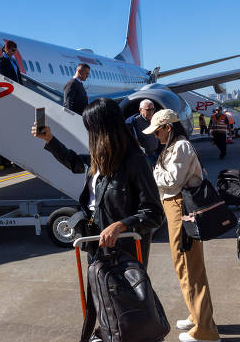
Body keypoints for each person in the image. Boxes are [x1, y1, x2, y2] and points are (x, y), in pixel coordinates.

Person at [31, 98, 163, 267]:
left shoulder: (135, 161)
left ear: (104, 130)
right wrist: (49, 139)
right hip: (96, 243)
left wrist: (121, 226)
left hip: (124, 250)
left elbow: (154, 214)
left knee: (124, 293)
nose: (90, 135)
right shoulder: (100, 159)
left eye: (91, 129)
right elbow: (74, 162)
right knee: (98, 289)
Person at [147, 109, 221, 342]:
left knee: (189, 266)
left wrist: (154, 170)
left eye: (157, 131)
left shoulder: (180, 146)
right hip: (175, 206)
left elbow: (172, 180)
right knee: (184, 265)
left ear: (168, 127)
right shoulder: (175, 146)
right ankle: (197, 314)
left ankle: (206, 329)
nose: (155, 136)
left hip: (180, 206)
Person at [0, 41, 22, 169]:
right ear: (6, 49)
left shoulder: (13, 61)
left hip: (16, 96)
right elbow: (2, 78)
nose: (14, 53)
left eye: (15, 51)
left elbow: (18, 78)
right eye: (12, 50)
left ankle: (13, 159)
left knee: (15, 130)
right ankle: (2, 161)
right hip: (7, 97)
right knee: (5, 130)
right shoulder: (2, 61)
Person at [125, 99, 160, 167]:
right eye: (148, 110)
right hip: (146, 157)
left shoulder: (155, 119)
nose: (151, 112)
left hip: (157, 153)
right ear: (140, 110)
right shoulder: (134, 123)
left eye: (153, 109)